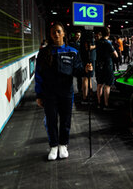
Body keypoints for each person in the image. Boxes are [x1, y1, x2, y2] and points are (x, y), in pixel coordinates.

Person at [35, 22, 93, 161]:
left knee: (66, 120)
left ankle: (63, 145)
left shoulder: (72, 51)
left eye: (59, 31)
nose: (56, 34)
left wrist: (86, 70)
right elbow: (38, 75)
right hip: (49, 93)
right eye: (53, 32)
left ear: (63, 34)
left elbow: (77, 70)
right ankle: (53, 146)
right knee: (51, 120)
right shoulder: (43, 52)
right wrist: (39, 95)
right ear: (50, 34)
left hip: (66, 92)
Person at [96, 27, 118, 110]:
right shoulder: (108, 43)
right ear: (108, 34)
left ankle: (99, 103)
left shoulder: (97, 42)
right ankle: (106, 104)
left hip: (99, 65)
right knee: (107, 86)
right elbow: (116, 55)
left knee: (99, 85)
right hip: (107, 66)